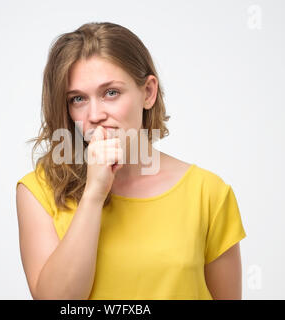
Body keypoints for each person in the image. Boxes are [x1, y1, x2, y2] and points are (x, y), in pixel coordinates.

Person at [16, 22, 247, 300]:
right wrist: (93, 194)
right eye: (78, 99)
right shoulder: (37, 192)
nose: (95, 114)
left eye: (110, 93)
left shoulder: (208, 193)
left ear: (148, 93)